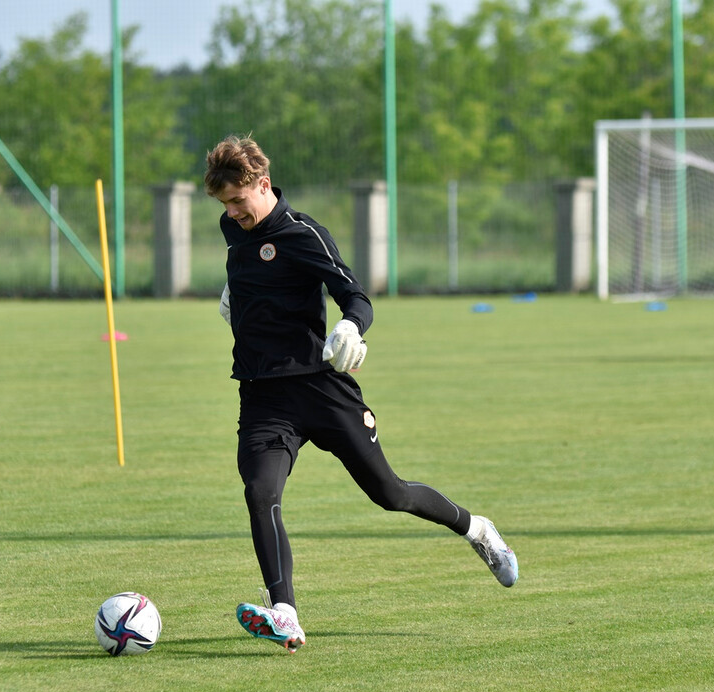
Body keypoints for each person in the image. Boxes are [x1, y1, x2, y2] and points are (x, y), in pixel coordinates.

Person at [204, 135, 517, 653]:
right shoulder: (232, 231)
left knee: (390, 494)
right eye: (224, 204)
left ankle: (478, 529)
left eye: (238, 200)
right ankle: (285, 612)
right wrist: (236, 294)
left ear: (263, 184)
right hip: (262, 395)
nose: (232, 212)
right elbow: (254, 274)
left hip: (320, 389)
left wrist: (351, 326)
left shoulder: (305, 234)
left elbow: (354, 294)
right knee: (261, 494)